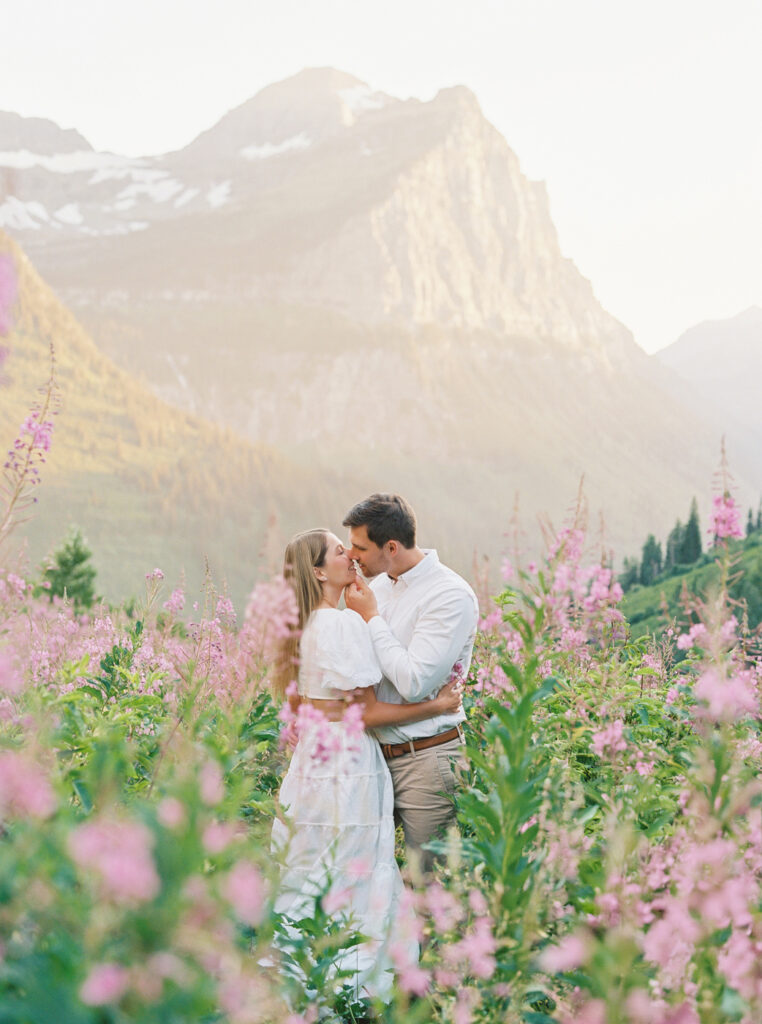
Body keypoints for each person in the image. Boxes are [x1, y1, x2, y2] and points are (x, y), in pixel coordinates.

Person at [270, 528, 463, 1002]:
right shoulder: (340, 625)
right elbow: (369, 712)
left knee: (317, 866)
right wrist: (436, 708)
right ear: (319, 571)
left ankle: (306, 981)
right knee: (356, 868)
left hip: (313, 761)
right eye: (340, 551)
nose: (351, 556)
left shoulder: (307, 626)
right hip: (348, 762)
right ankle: (354, 992)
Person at [343, 494, 479, 872]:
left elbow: (413, 682)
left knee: (430, 884)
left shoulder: (449, 595)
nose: (352, 556)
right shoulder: (380, 588)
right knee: (370, 875)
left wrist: (370, 618)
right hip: (374, 757)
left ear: (391, 546)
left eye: (359, 547)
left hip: (427, 759)